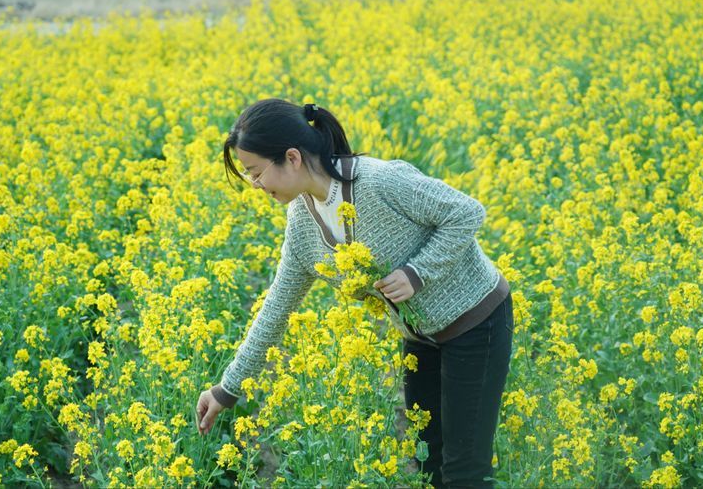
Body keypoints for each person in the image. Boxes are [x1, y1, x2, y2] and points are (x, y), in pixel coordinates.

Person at [196, 98, 514, 488]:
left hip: (476, 321)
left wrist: (417, 273)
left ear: (292, 157)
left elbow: (466, 212)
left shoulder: (378, 181)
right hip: (421, 337)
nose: (255, 184)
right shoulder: (302, 223)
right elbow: (276, 307)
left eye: (256, 171)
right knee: (428, 457)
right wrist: (227, 389)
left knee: (465, 468)